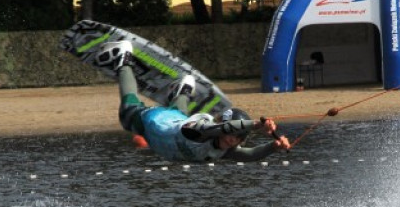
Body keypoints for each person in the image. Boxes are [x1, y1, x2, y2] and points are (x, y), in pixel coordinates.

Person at [96, 40, 291, 162]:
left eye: (238, 138)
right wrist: (255, 125)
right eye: (232, 134)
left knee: (179, 114)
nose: (232, 140)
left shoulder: (225, 150)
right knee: (127, 112)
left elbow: (250, 155)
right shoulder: (202, 131)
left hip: (174, 121)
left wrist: (274, 146)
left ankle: (183, 91)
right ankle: (123, 59)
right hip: (154, 123)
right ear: (221, 127)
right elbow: (220, 130)